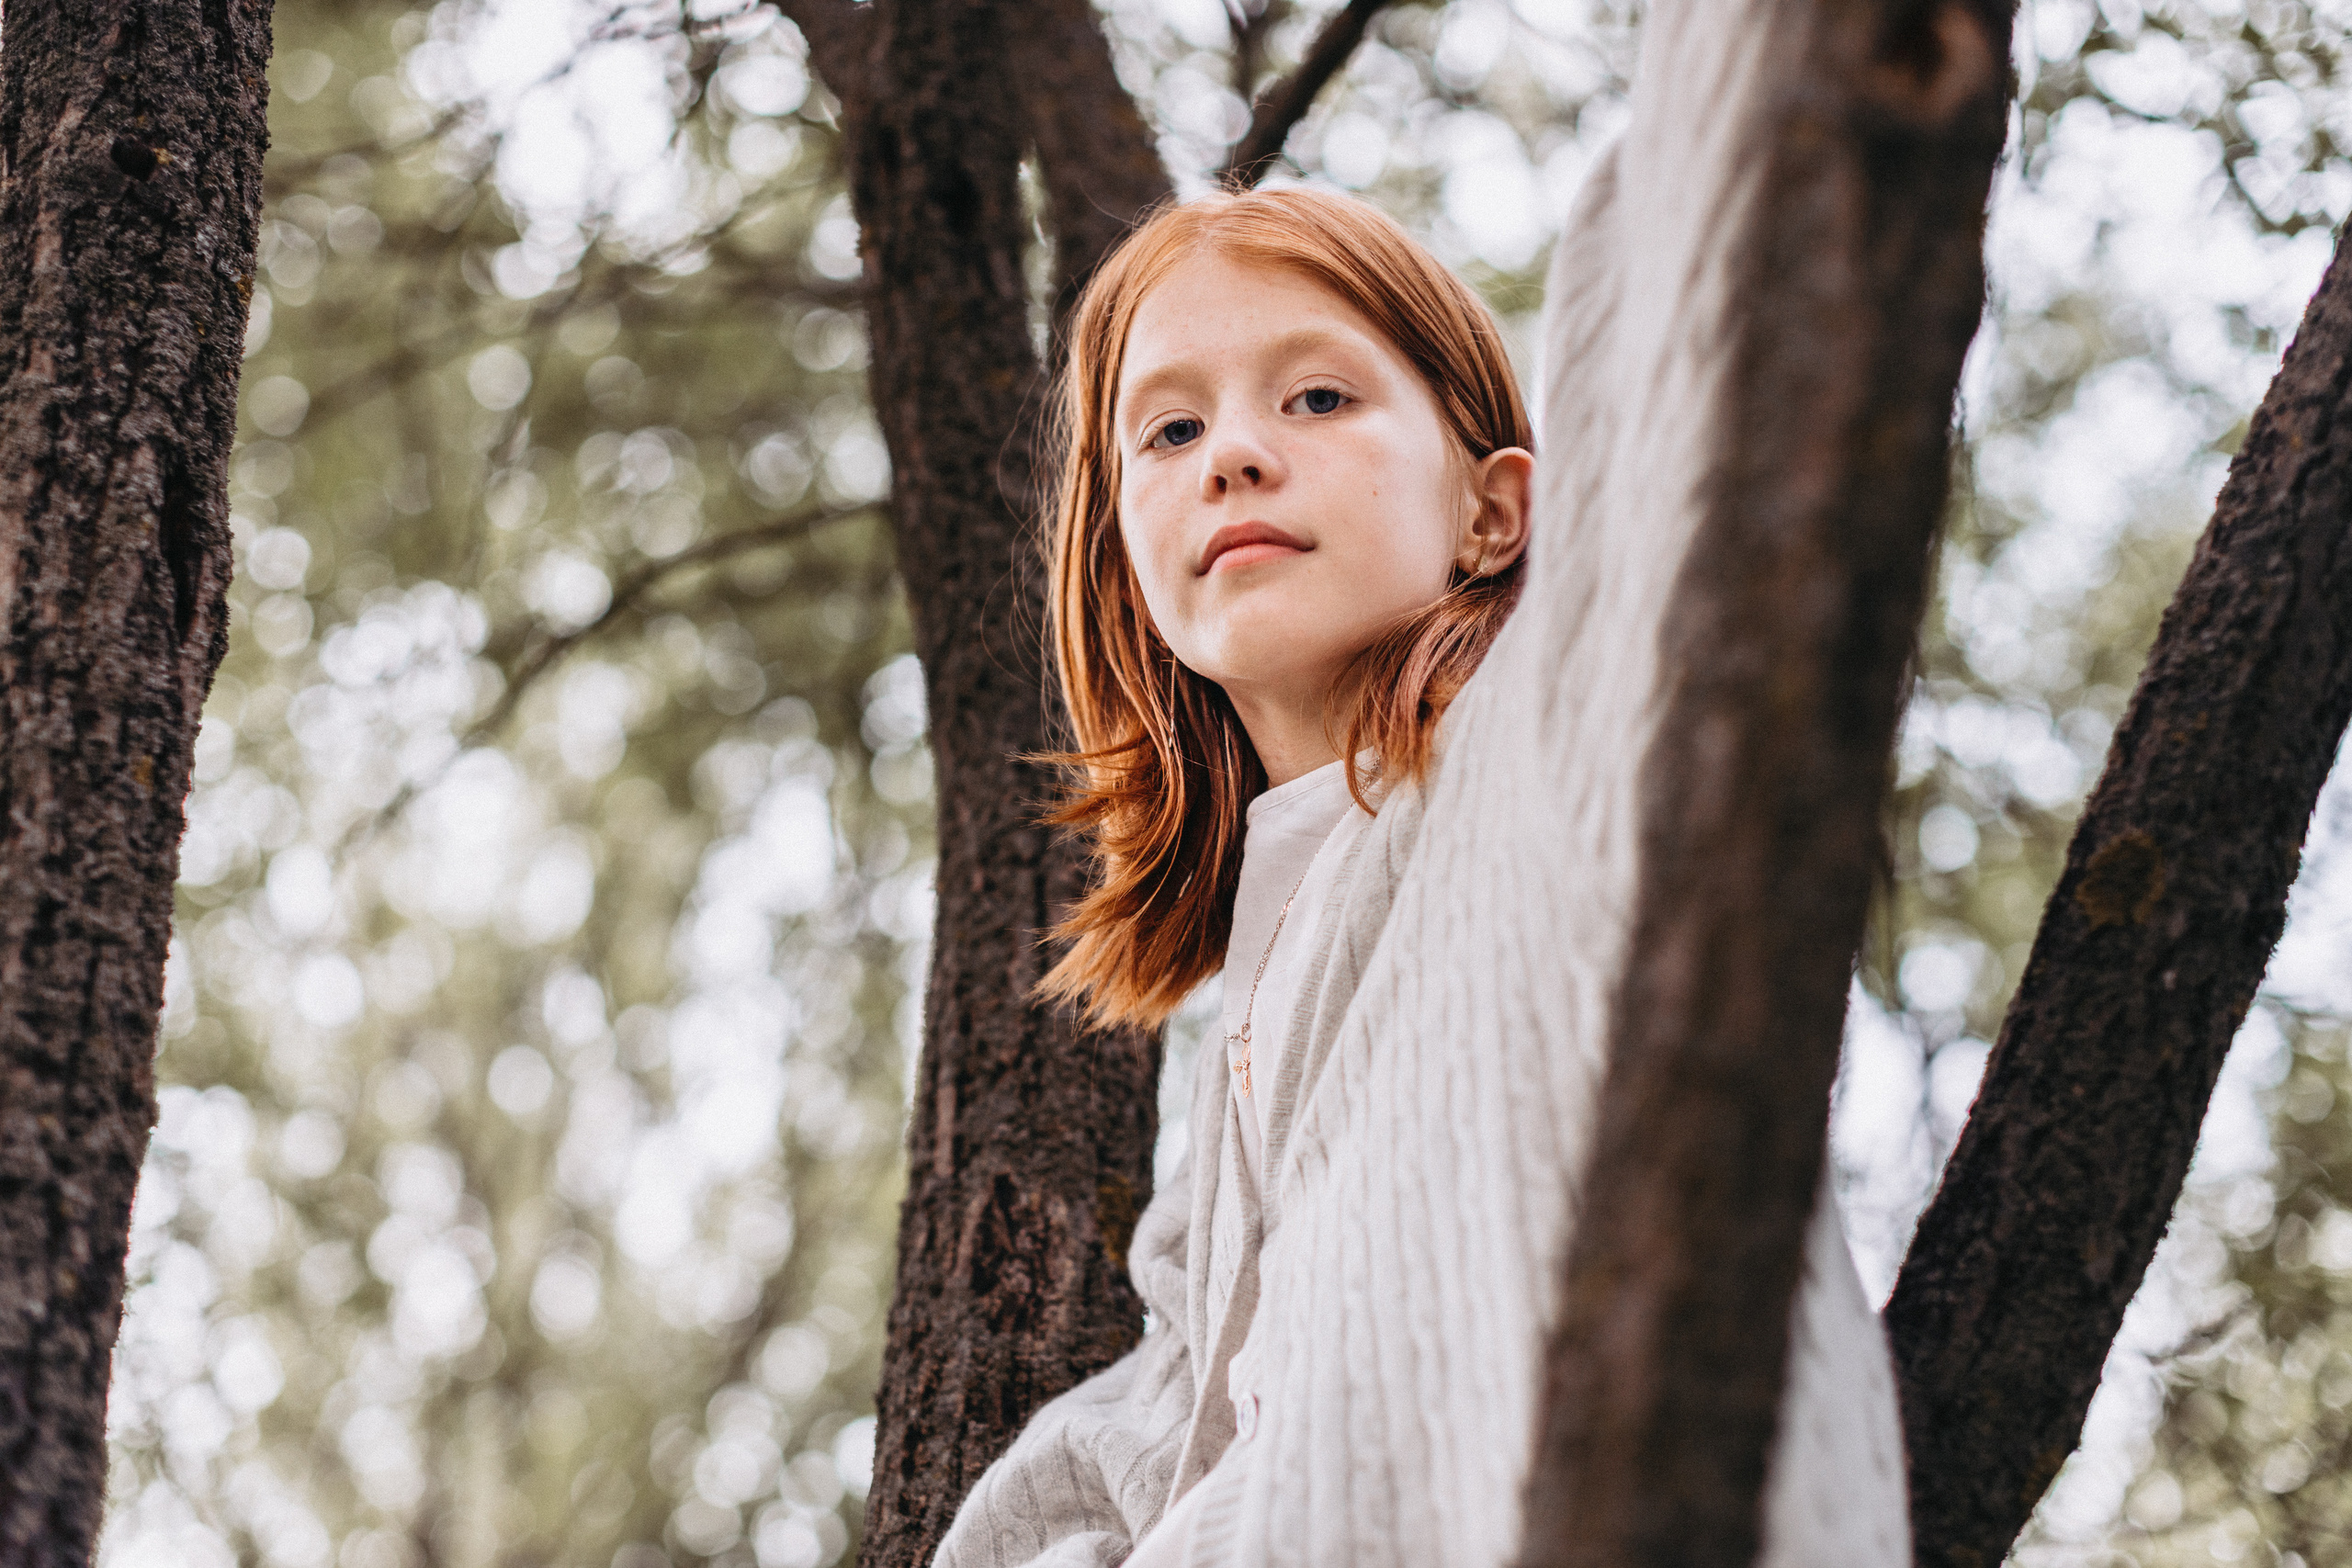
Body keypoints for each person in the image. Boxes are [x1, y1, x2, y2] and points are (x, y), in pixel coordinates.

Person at [935, 31, 1914, 1568]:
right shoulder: (1245, 1060)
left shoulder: (1558, 744)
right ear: (1125, 563)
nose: (1233, 453)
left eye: (1318, 397)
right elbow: (1130, 1449)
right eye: (1170, 429)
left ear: (1495, 512)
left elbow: (1720, 288)